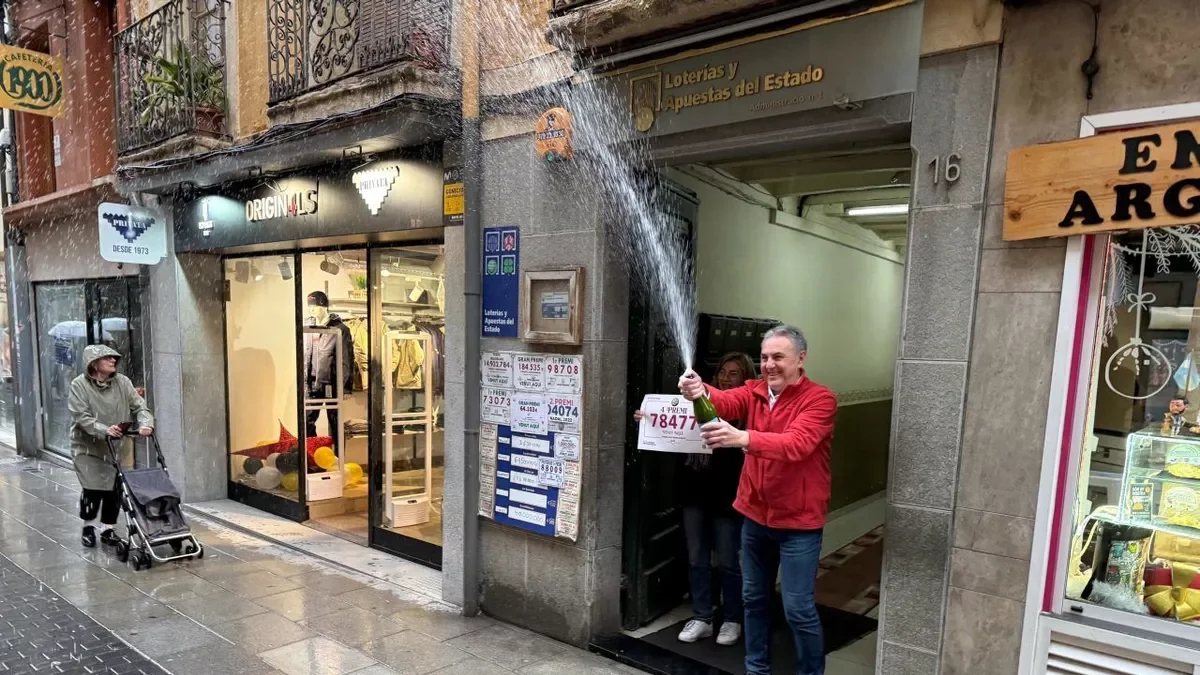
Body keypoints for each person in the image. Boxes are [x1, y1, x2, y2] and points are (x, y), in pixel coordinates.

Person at [679, 325, 837, 675]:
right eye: (765, 357)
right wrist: (698, 388)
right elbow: (723, 399)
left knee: (798, 609)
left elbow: (797, 445)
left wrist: (743, 437)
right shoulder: (753, 391)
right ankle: (756, 670)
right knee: (754, 600)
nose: (770, 365)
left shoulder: (820, 400)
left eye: (778, 357)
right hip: (754, 518)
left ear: (800, 359)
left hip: (798, 524)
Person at [637, 352, 755, 646]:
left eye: (735, 373)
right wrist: (649, 419)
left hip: (728, 497)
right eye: (724, 372)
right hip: (695, 493)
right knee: (697, 558)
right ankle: (702, 617)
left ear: (746, 378)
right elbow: (671, 427)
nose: (727, 378)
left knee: (728, 560)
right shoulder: (697, 403)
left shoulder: (748, 411)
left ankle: (731, 619)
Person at [68, 345, 154, 549]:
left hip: (119, 446)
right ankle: (89, 526)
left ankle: (108, 528)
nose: (113, 361)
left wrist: (145, 423)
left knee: (115, 489)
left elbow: (139, 405)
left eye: (114, 358)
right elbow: (81, 416)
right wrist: (103, 429)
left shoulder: (123, 382)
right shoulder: (79, 385)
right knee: (92, 488)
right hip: (88, 447)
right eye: (107, 358)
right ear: (93, 363)